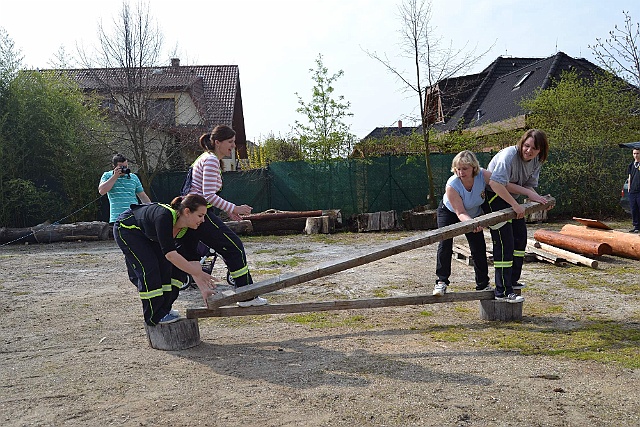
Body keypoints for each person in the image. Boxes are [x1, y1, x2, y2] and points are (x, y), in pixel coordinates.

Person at [186, 124, 267, 307]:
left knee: (193, 255)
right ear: (217, 142)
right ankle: (246, 296)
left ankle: (245, 294)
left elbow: (204, 193)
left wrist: (228, 210)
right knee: (234, 247)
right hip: (199, 214)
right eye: (230, 142)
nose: (233, 146)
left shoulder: (208, 159)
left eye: (234, 142)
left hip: (195, 212)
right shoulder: (212, 160)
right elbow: (207, 195)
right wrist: (234, 207)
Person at [113, 194, 217, 325]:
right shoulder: (164, 217)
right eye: (200, 216)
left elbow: (192, 261)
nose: (203, 220)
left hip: (149, 236)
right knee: (150, 269)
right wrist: (199, 273)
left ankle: (165, 310)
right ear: (187, 212)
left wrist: (204, 288)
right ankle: (154, 316)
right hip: (128, 229)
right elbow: (170, 255)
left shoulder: (190, 229)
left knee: (171, 269)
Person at [481, 129, 551, 303]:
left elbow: (528, 186)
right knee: (505, 242)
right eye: (526, 146)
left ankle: (512, 281)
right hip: (494, 196)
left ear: (540, 150)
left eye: (533, 148)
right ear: (522, 143)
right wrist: (515, 204)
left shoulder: (536, 161)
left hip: (512, 199)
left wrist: (539, 200)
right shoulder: (509, 154)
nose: (528, 151)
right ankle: (502, 290)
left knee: (519, 238)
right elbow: (496, 183)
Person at [433, 150, 492, 296]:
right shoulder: (452, 185)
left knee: (478, 246)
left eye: (464, 168)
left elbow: (502, 185)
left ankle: (483, 284)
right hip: (450, 212)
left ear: (474, 167)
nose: (461, 172)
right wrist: (474, 224)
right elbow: (460, 212)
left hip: (473, 212)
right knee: (445, 242)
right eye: (458, 169)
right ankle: (441, 282)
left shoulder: (483, 175)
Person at [98, 153, 151, 223]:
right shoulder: (107, 175)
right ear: (114, 166)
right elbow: (102, 191)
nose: (124, 169)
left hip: (134, 217)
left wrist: (150, 210)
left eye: (126, 166)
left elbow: (142, 196)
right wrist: (115, 176)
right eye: (121, 167)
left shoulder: (134, 177)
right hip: (117, 218)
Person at [626, 148, 640, 233]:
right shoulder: (631, 165)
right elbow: (630, 177)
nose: (636, 155)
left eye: (637, 153)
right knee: (634, 209)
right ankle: (636, 226)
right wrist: (629, 187)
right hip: (632, 191)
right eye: (634, 153)